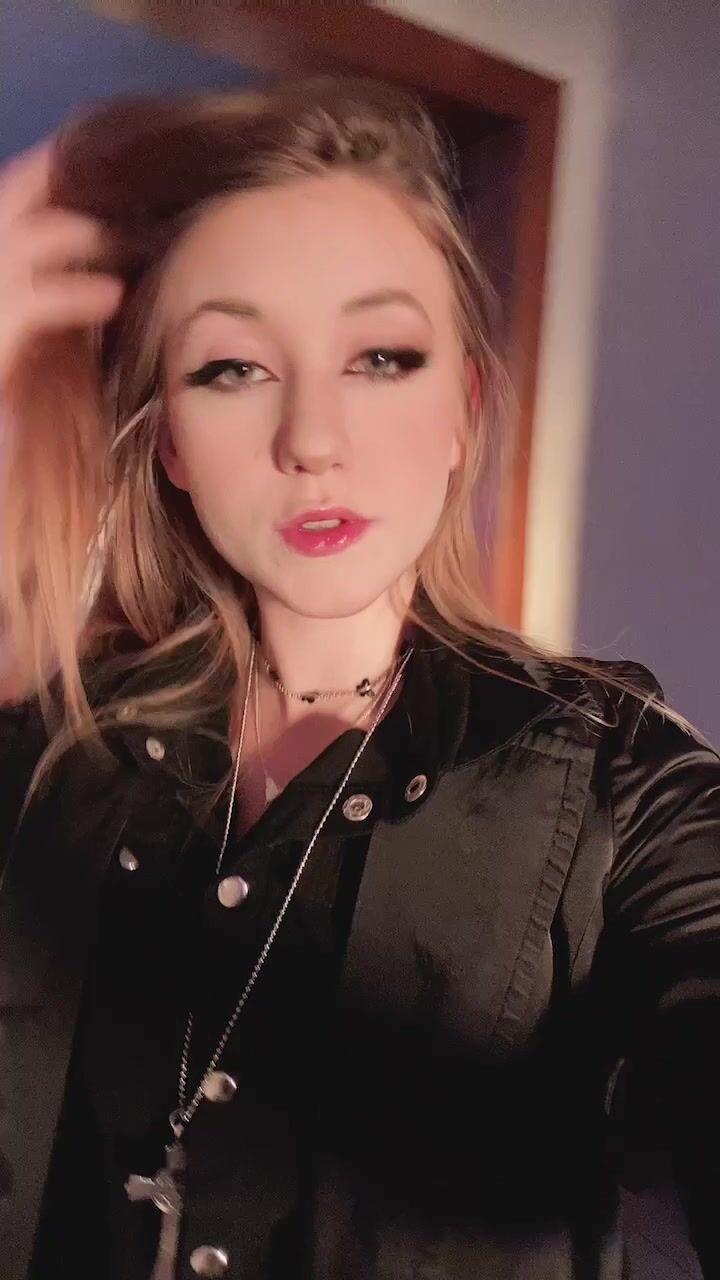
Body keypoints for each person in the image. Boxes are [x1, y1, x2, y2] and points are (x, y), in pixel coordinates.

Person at [0, 74, 718, 1280]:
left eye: (382, 355)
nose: (313, 439)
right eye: (233, 367)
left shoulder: (617, 779)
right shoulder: (55, 753)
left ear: (462, 409)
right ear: (168, 438)